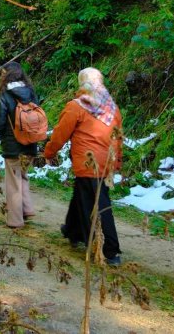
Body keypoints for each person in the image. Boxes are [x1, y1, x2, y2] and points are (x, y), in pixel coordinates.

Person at [44, 68, 123, 265]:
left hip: (89, 162)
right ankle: (73, 230)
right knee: (82, 194)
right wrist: (117, 160)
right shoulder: (111, 108)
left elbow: (60, 134)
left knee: (98, 204)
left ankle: (109, 250)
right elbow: (118, 137)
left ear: (82, 83)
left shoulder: (77, 106)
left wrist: (49, 152)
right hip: (106, 161)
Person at [0, 61, 39, 228]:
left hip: (13, 144)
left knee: (13, 181)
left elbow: (0, 120)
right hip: (30, 142)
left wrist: (1, 136)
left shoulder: (5, 95)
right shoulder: (32, 93)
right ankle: (27, 209)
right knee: (22, 175)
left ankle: (15, 220)